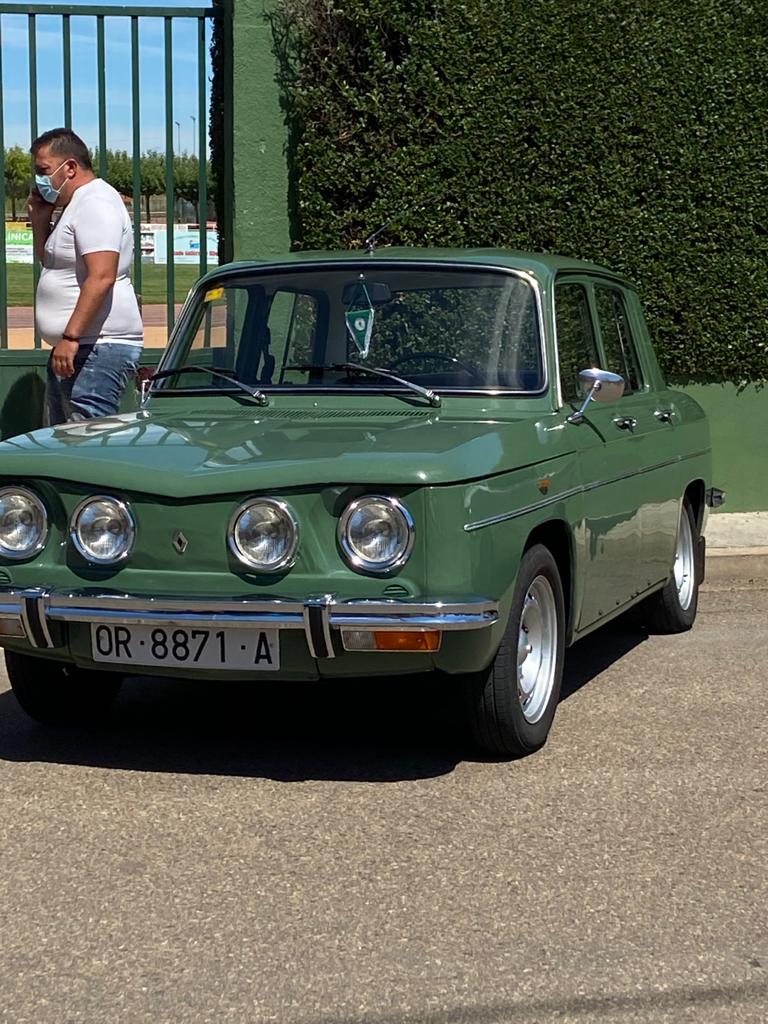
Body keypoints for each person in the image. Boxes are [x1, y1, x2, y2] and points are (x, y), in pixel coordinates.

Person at [27, 128, 143, 425]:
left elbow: (102, 275)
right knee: (65, 440)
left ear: (70, 168)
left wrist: (70, 336)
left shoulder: (95, 203)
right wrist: (40, 221)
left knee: (87, 440)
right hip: (79, 347)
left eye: (44, 171)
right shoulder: (76, 204)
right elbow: (53, 264)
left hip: (95, 347)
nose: (40, 180)